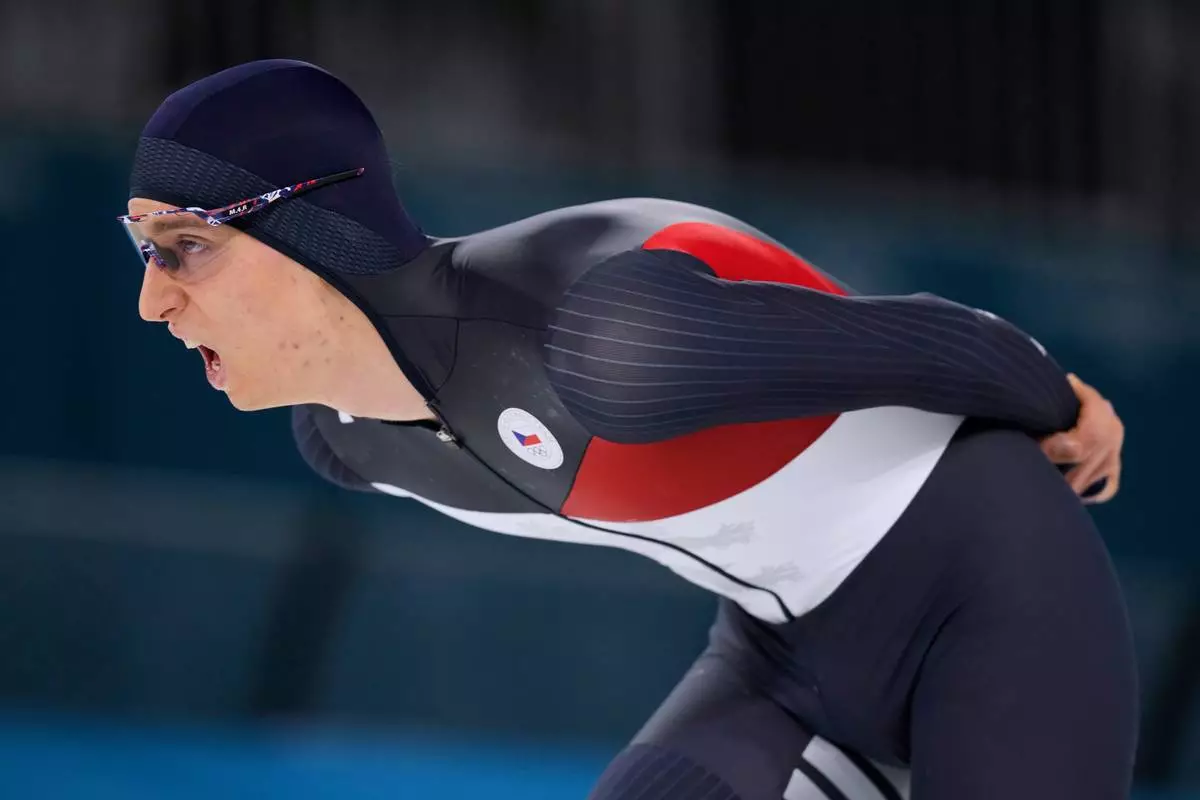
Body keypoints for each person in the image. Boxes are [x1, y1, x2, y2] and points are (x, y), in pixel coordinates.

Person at [122, 60, 1135, 800]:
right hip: (783, 661)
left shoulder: (603, 340)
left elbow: (908, 334)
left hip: (995, 602)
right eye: (142, 248)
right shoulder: (345, 439)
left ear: (313, 226)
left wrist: (1061, 401)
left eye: (186, 247)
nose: (151, 302)